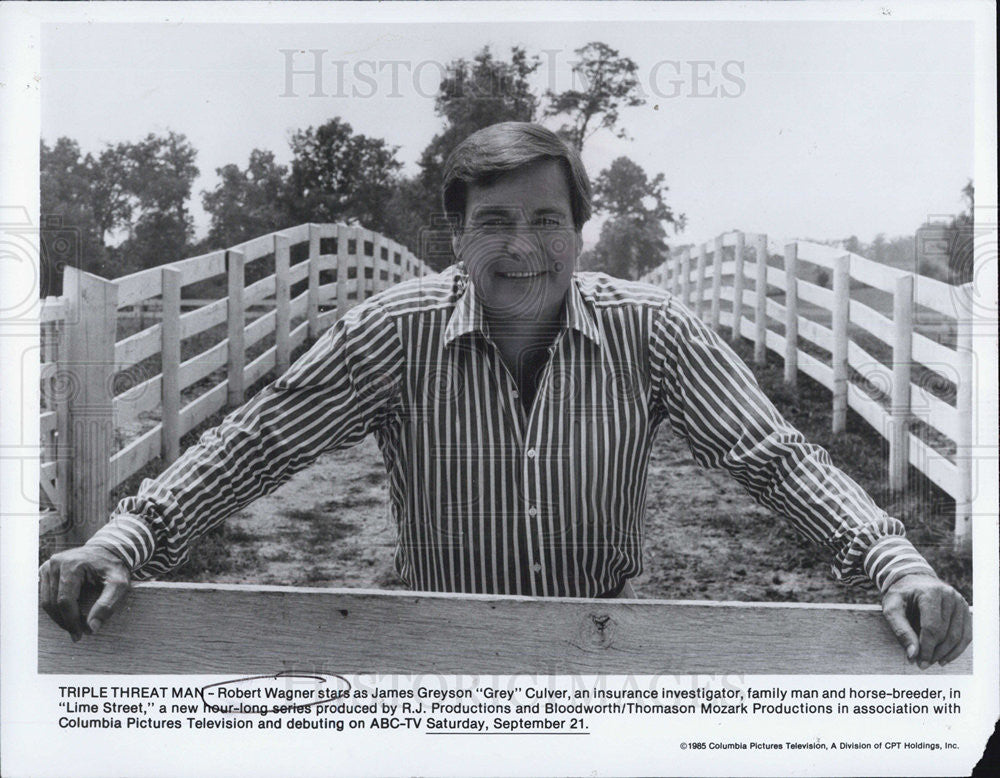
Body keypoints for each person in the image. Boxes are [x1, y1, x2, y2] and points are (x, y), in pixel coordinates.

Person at [39, 121, 971, 669]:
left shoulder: (655, 330)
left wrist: (896, 565)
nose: (522, 249)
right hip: (437, 644)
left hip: (606, 639)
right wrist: (128, 537)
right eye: (493, 223)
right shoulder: (392, 332)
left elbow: (774, 457)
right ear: (455, 235)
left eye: (545, 221)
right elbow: (261, 438)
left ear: (579, 229)